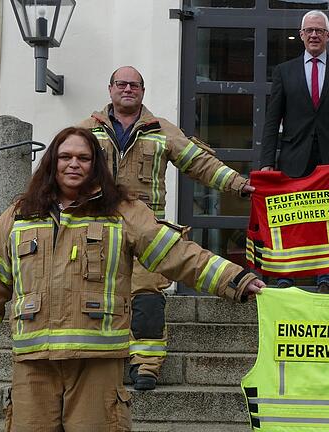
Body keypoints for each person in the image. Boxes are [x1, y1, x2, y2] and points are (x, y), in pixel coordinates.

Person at [0, 127, 264, 431]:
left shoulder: (122, 213)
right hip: (33, 365)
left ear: (96, 165)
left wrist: (234, 279)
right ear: (52, 162)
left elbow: (177, 254)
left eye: (83, 157)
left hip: (97, 362)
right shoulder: (18, 216)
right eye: (65, 156)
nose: (74, 164)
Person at [78, 66, 254, 390]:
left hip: (149, 233)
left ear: (142, 92)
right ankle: (98, 364)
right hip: (98, 231)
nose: (127, 89)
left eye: (134, 85)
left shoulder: (161, 130)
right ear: (110, 88)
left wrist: (238, 185)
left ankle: (146, 367)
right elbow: (62, 170)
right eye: (121, 84)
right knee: (98, 299)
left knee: (146, 299)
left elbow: (200, 163)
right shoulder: (86, 131)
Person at [260, 10, 329, 293]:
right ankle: (286, 277)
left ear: (328, 36)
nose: (314, 35)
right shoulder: (284, 71)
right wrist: (267, 162)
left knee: (328, 219)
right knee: (292, 217)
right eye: (309, 31)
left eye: (319, 30)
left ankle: (326, 277)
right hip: (293, 156)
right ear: (301, 35)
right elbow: (272, 120)